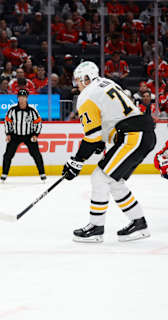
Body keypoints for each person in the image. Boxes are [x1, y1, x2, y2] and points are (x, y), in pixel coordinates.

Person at [63, 61, 156, 243]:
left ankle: (96, 227)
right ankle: (138, 222)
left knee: (100, 176)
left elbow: (91, 136)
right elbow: (111, 119)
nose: (77, 86)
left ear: (86, 79)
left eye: (78, 81)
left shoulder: (86, 96)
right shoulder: (106, 83)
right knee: (113, 180)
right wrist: (100, 141)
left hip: (133, 136)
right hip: (140, 134)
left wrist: (77, 161)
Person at [1, 89, 45, 183]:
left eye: (24, 97)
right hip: (15, 135)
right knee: (8, 155)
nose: (22, 99)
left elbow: (38, 122)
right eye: (20, 97)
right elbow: (7, 122)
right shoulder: (12, 109)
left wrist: (35, 134)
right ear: (17, 98)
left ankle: (42, 174)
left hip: (29, 135)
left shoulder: (32, 110)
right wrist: (8, 134)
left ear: (27, 98)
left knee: (36, 155)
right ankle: (4, 174)